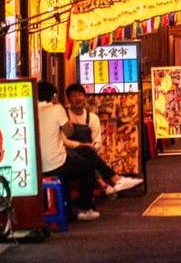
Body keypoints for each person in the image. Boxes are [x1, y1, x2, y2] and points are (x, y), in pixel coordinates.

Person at [36, 81, 101, 221]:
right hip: (56, 163)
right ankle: (85, 207)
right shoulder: (57, 108)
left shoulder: (30, 109)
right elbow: (69, 132)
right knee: (88, 168)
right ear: (54, 96)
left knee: (84, 154)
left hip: (36, 166)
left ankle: (67, 208)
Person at [62, 83, 142, 195]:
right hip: (66, 155)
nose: (78, 98)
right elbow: (63, 141)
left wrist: (93, 147)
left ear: (85, 97)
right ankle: (113, 180)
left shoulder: (92, 118)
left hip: (88, 153)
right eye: (74, 96)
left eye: (80, 95)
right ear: (68, 98)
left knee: (89, 155)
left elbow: (97, 141)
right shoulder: (63, 115)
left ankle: (89, 205)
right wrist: (82, 146)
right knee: (87, 153)